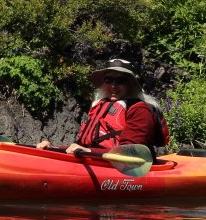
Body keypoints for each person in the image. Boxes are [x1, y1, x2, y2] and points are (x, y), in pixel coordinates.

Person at [37, 58, 169, 158]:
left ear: (131, 84)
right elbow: (84, 147)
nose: (113, 86)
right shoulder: (100, 106)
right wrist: (54, 148)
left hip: (128, 169)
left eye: (120, 81)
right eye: (108, 80)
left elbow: (129, 153)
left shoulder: (140, 110)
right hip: (96, 160)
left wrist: (88, 152)